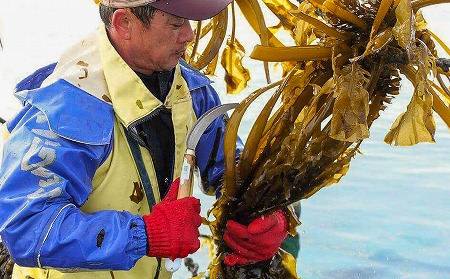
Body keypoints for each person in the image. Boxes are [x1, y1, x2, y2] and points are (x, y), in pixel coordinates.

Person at [0, 0, 291, 278]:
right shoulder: (64, 111)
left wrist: (270, 211)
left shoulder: (191, 89)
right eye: (176, 24)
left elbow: (229, 165)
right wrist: (147, 234)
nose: (190, 35)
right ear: (124, 23)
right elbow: (26, 228)